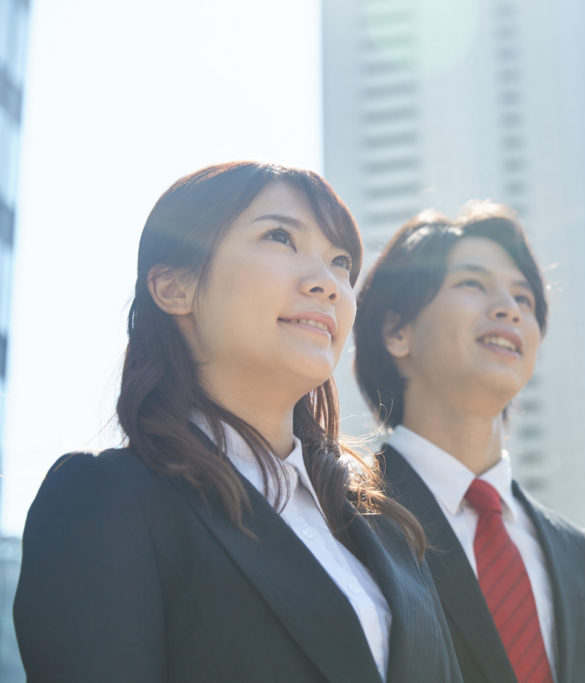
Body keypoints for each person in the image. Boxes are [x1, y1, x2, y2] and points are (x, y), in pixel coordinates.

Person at [14, 161, 462, 683]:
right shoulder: (105, 498)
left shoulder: (389, 530)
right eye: (280, 237)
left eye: (341, 263)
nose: (329, 284)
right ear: (174, 287)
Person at [352, 202, 585, 683]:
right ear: (397, 331)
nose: (509, 310)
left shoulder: (579, 554)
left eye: (524, 299)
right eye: (472, 284)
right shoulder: (345, 514)